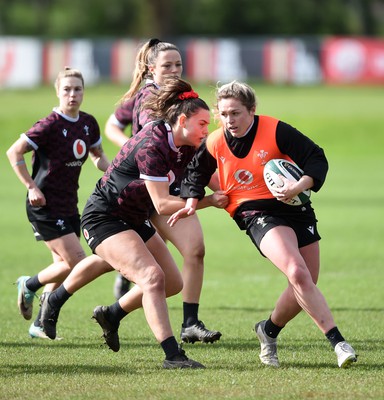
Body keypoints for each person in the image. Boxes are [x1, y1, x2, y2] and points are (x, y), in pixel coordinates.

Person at [40, 78, 228, 369]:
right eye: (203, 123)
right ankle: (172, 356)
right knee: (152, 278)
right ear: (182, 120)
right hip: (104, 217)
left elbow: (212, 179)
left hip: (132, 216)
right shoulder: (153, 144)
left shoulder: (188, 142)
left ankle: (112, 314)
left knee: (173, 282)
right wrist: (208, 202)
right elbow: (163, 205)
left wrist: (242, 194)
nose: (207, 130)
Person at [168, 80, 358, 369]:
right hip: (254, 211)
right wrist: (193, 202)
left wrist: (299, 186)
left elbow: (315, 157)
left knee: (306, 281)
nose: (229, 120)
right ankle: (338, 342)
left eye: (236, 113)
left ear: (252, 110)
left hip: (295, 206)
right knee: (297, 271)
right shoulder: (215, 142)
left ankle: (267, 330)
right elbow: (194, 174)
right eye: (224, 114)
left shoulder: (275, 129)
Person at [105, 38, 222, 344]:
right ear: (150, 67)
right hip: (148, 193)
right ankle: (58, 293)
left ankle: (190, 323)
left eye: (178, 64)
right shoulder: (143, 98)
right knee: (121, 261)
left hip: (174, 189)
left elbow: (195, 151)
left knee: (194, 250)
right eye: (167, 65)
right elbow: (114, 128)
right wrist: (127, 152)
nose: (173, 69)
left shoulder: (184, 97)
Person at [6, 67, 110, 339]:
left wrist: (111, 170)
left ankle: (39, 324)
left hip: (69, 204)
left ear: (84, 92)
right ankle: (28, 285)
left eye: (77, 89)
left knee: (60, 268)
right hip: (45, 205)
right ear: (57, 92)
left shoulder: (88, 123)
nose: (72, 94)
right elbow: (13, 151)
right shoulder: (49, 125)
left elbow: (97, 154)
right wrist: (31, 187)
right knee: (76, 261)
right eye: (67, 89)